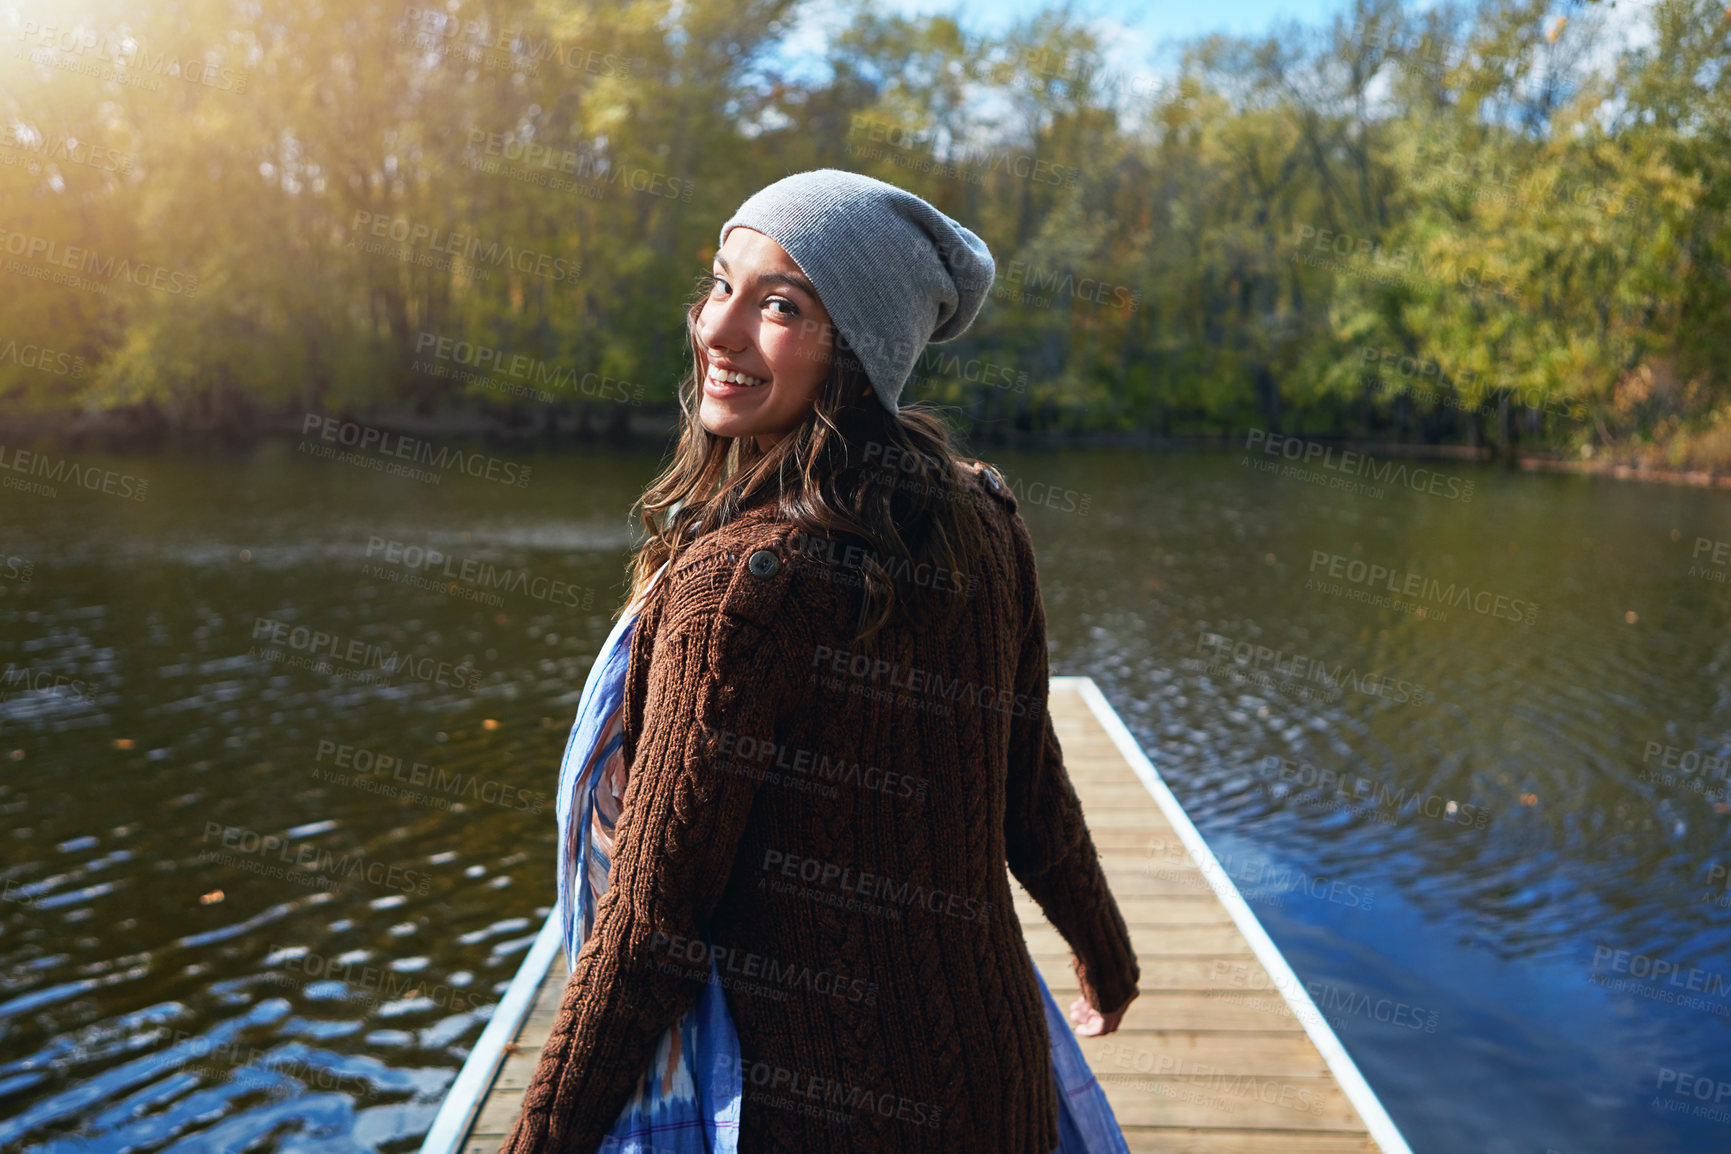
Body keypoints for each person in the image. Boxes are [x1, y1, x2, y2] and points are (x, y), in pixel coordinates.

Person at [499, 168, 1140, 1154]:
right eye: (721, 284)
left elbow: (648, 929)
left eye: (781, 304)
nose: (717, 330)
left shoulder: (740, 593)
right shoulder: (982, 519)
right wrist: (1103, 946)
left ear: (860, 350)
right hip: (996, 1082)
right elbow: (1031, 784)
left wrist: (539, 1137)